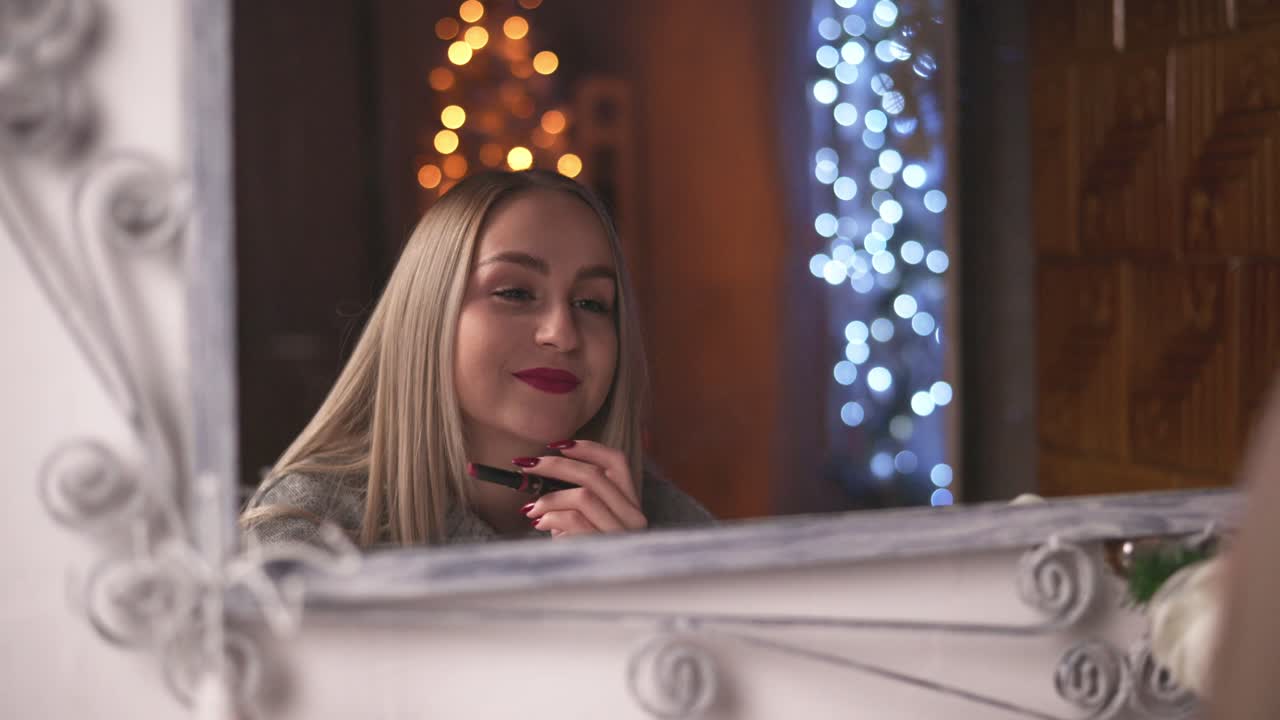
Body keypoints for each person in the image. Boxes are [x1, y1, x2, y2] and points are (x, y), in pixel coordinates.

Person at [240, 170, 715, 547]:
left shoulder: (669, 530)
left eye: (591, 303)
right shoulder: (306, 527)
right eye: (513, 292)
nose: (561, 334)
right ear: (428, 315)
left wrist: (635, 585)